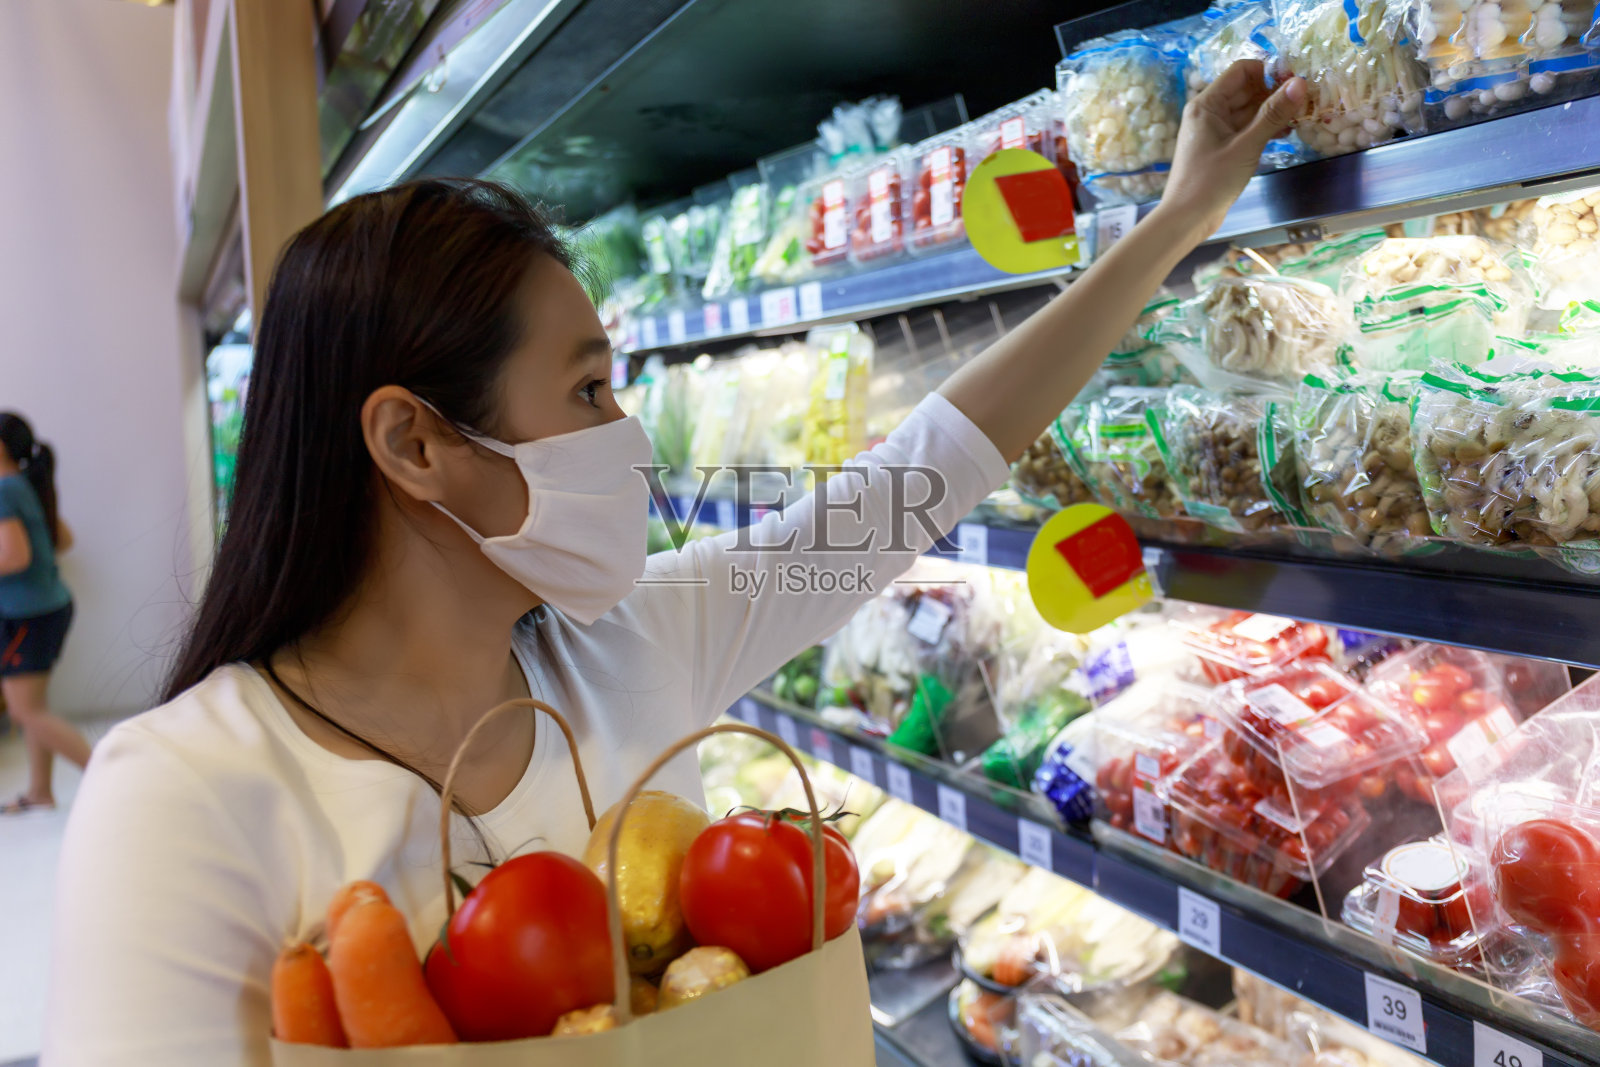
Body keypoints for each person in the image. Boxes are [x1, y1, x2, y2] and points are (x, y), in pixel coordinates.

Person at [44, 63, 1306, 1064]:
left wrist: (1175, 220)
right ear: (413, 440)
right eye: (589, 388)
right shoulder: (185, 797)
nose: (628, 436)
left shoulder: (627, 645)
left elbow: (932, 464)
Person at [0, 412, 87, 815]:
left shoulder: (4, 490)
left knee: (24, 710)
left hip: (30, 615)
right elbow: (61, 538)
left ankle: (115, 775)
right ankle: (40, 792)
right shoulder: (24, 484)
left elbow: (15, 556)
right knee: (33, 706)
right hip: (47, 608)